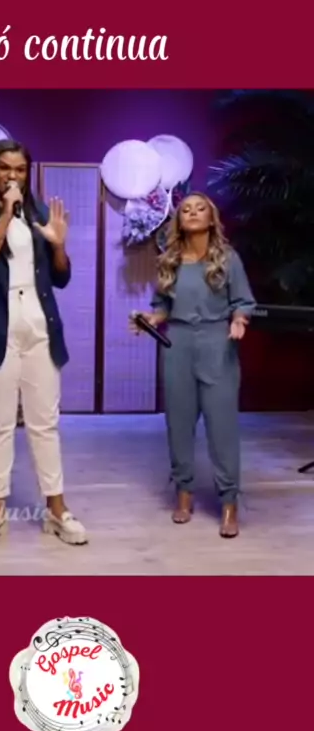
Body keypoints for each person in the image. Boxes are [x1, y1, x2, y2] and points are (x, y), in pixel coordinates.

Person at [0, 139, 88, 550]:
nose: (13, 176)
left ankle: (57, 509)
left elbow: (61, 278)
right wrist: (5, 216)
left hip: (39, 326)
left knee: (45, 423)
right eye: (4, 168)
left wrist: (59, 244)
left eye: (21, 169)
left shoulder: (39, 212)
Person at [130, 192, 256, 538]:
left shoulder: (228, 258)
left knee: (222, 427)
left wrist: (239, 320)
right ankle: (183, 493)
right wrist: (150, 319)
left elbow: (243, 301)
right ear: (179, 220)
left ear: (211, 218)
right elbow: (161, 306)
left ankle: (229, 502)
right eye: (186, 209)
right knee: (179, 424)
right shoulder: (169, 260)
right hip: (178, 345)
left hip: (218, 343)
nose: (193, 213)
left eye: (200, 208)